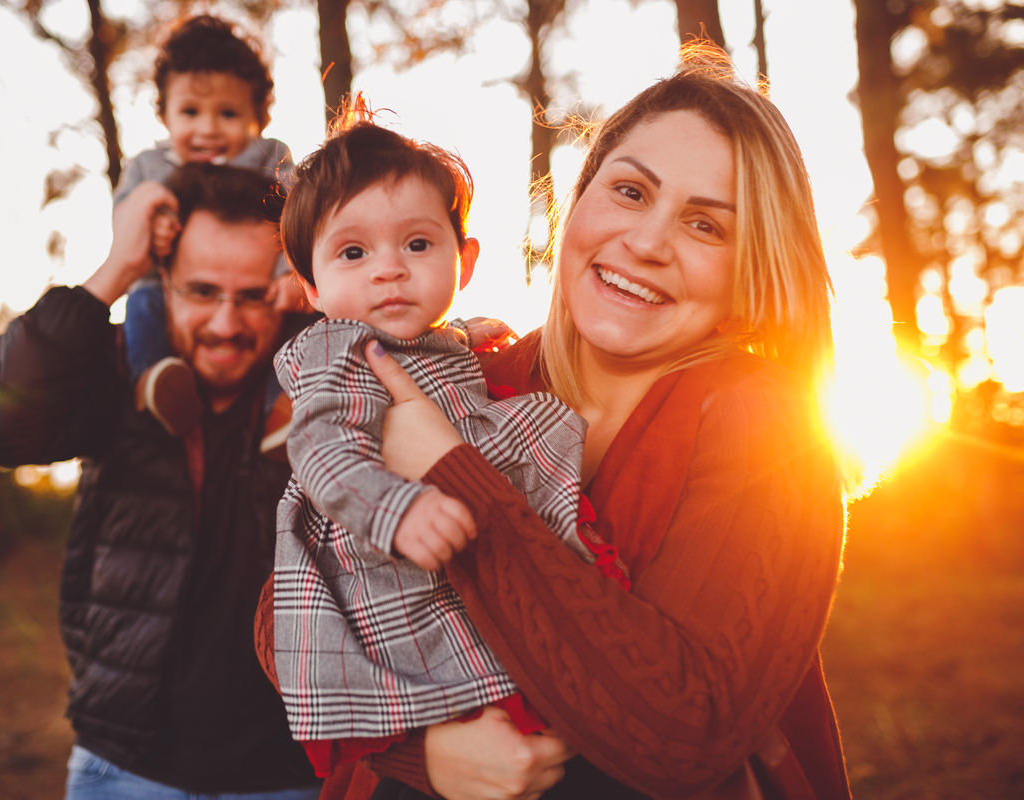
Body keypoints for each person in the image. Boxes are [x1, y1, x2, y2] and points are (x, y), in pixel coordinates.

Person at [256, 49, 851, 800]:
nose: (646, 242)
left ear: (750, 265)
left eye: (705, 225)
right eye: (631, 192)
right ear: (582, 197)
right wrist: (427, 750)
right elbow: (284, 619)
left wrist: (452, 476)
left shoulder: (767, 424)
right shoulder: (476, 375)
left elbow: (686, 733)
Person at [270, 116, 626, 780]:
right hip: (385, 543)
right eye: (354, 254)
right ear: (312, 289)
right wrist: (394, 509)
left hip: (459, 530)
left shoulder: (434, 339)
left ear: (463, 263)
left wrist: (471, 332)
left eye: (417, 244)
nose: (390, 272)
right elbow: (320, 448)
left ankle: (565, 611)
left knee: (543, 424)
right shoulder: (334, 348)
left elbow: (437, 342)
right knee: (443, 648)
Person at [0, 164, 322, 800]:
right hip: (125, 767)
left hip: (290, 775)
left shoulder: (327, 385)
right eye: (202, 292)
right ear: (163, 286)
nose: (226, 323)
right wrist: (112, 272)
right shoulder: (118, 369)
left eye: (252, 296)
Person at [117, 14, 295, 436]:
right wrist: (151, 224)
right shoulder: (148, 166)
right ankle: (153, 379)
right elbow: (124, 217)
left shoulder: (272, 158)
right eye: (190, 112)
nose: (208, 129)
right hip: (160, 279)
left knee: (294, 316)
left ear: (260, 117)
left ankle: (284, 406)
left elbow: (302, 216)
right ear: (164, 114)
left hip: (268, 275)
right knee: (140, 304)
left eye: (228, 114)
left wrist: (290, 272)